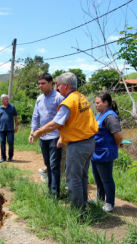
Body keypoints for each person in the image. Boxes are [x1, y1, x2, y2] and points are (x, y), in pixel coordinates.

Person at [32, 72, 99, 211]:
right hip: (90, 142)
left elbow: (55, 123)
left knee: (73, 179)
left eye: (58, 84)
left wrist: (39, 132)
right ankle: (83, 205)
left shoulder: (68, 102)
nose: (57, 88)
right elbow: (78, 121)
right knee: (82, 176)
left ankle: (77, 212)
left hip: (78, 144)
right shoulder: (81, 97)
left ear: (65, 85)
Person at [29, 73, 64, 198]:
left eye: (43, 83)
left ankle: (55, 194)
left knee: (55, 166)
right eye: (39, 84)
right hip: (42, 137)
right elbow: (35, 116)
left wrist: (62, 136)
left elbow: (64, 119)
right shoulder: (39, 99)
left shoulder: (59, 98)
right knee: (48, 164)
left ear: (51, 83)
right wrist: (32, 132)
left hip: (55, 136)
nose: (40, 86)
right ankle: (50, 190)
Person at [90, 93, 123, 212]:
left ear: (106, 103)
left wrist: (118, 144)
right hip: (96, 152)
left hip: (105, 152)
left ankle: (109, 202)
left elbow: (118, 135)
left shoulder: (110, 117)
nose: (95, 105)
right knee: (98, 178)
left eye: (98, 103)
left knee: (106, 179)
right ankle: (99, 198)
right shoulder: (99, 115)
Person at [0, 94, 18, 163]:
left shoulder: (12, 107)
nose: (6, 100)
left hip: (10, 129)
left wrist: (16, 126)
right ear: (2, 100)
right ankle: (3, 157)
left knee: (10, 142)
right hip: (1, 129)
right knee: (2, 143)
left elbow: (16, 117)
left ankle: (10, 156)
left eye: (7, 99)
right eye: (5, 99)